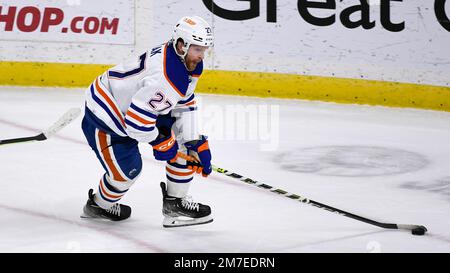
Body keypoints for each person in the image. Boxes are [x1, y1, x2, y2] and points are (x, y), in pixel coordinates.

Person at [80, 16, 214, 228]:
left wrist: (193, 140)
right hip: (106, 115)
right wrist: (160, 141)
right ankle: (98, 206)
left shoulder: (184, 63)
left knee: (186, 145)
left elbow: (184, 101)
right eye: (197, 49)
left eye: (204, 49)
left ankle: (175, 203)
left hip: (135, 106)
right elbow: (136, 125)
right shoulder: (167, 77)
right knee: (127, 172)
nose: (201, 55)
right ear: (181, 45)